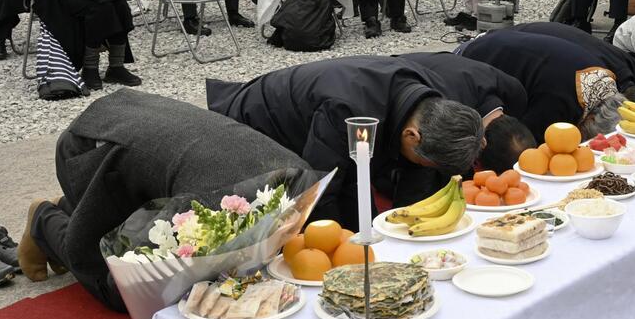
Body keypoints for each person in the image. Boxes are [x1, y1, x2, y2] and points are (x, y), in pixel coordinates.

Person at [16, 89, 316, 311]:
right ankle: (44, 218)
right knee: (122, 286)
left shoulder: (298, 177)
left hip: (132, 124)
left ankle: (72, 209)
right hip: (91, 149)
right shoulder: (207, 213)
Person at [206, 56, 485, 228]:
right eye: (427, 161)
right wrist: (342, 245)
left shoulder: (432, 101)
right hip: (260, 120)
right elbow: (321, 188)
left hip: (323, 110)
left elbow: (415, 172)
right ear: (412, 136)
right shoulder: (348, 112)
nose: (426, 167)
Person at [457, 28, 635, 143]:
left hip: (502, 38)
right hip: (472, 57)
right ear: (591, 120)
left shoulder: (607, 80)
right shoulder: (560, 101)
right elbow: (525, 140)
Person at [398, 51, 534, 175]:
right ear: (477, 159)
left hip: (437, 59)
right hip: (398, 70)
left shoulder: (515, 93)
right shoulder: (444, 115)